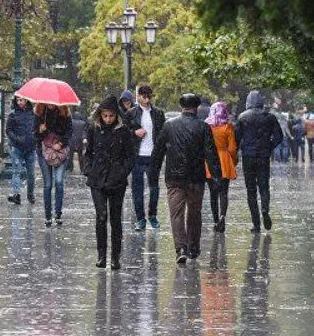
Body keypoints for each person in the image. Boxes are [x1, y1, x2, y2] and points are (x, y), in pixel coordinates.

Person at [149, 93, 221, 264]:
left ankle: (181, 248)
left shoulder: (168, 126)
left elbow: (158, 152)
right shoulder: (203, 128)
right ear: (196, 108)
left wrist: (153, 173)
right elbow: (211, 154)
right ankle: (193, 246)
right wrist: (216, 176)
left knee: (176, 214)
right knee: (194, 213)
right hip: (196, 177)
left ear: (181, 107)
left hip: (174, 177)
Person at [83, 95, 135, 270]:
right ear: (100, 115)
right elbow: (88, 152)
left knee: (115, 218)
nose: (108, 119)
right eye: (105, 116)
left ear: (116, 116)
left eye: (111, 116)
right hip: (97, 178)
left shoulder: (123, 131)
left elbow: (130, 156)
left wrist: (122, 172)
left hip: (116, 180)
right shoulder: (93, 129)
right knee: (101, 216)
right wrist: (88, 169)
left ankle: (115, 257)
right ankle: (101, 255)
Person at [236, 90, 284, 233]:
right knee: (264, 186)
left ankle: (256, 224)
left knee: (251, 190)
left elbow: (236, 138)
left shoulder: (242, 117)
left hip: (248, 157)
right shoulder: (270, 117)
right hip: (263, 156)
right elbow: (279, 136)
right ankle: (265, 209)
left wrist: (241, 148)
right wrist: (268, 146)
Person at [126, 85, 165, 230]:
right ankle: (140, 219)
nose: (146, 98)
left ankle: (152, 216)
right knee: (137, 188)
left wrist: (161, 152)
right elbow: (124, 132)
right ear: (138, 96)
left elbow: (163, 133)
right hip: (137, 155)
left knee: (154, 187)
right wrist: (134, 133)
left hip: (153, 155)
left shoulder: (158, 113)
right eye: (143, 95)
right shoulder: (131, 113)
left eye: (148, 95)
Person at [35, 103, 72, 227]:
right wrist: (40, 130)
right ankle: (47, 216)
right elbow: (34, 134)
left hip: (61, 153)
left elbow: (69, 132)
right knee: (47, 184)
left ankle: (58, 214)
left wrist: (61, 144)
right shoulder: (40, 112)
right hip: (44, 152)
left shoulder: (65, 113)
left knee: (59, 182)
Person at [205, 102, 238, 233]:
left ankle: (215, 220)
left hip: (209, 161)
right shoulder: (228, 127)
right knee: (224, 192)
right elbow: (232, 148)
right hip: (224, 160)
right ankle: (222, 217)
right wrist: (233, 161)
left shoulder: (207, 126)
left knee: (213, 193)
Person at [6, 96, 37, 205]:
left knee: (31, 173)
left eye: (21, 100)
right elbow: (8, 130)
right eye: (17, 100)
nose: (19, 102)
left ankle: (30, 194)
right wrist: (16, 139)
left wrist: (34, 138)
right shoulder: (13, 114)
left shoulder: (33, 114)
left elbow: (37, 128)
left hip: (31, 147)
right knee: (16, 171)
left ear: (26, 100)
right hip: (17, 147)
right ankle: (16, 194)